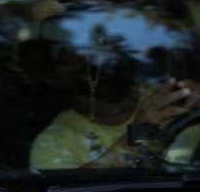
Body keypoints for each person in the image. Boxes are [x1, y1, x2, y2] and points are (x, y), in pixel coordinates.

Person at [30, 41, 200, 170]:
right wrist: (136, 136)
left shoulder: (167, 97)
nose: (102, 65)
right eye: (86, 60)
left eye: (108, 56)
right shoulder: (55, 141)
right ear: (64, 75)